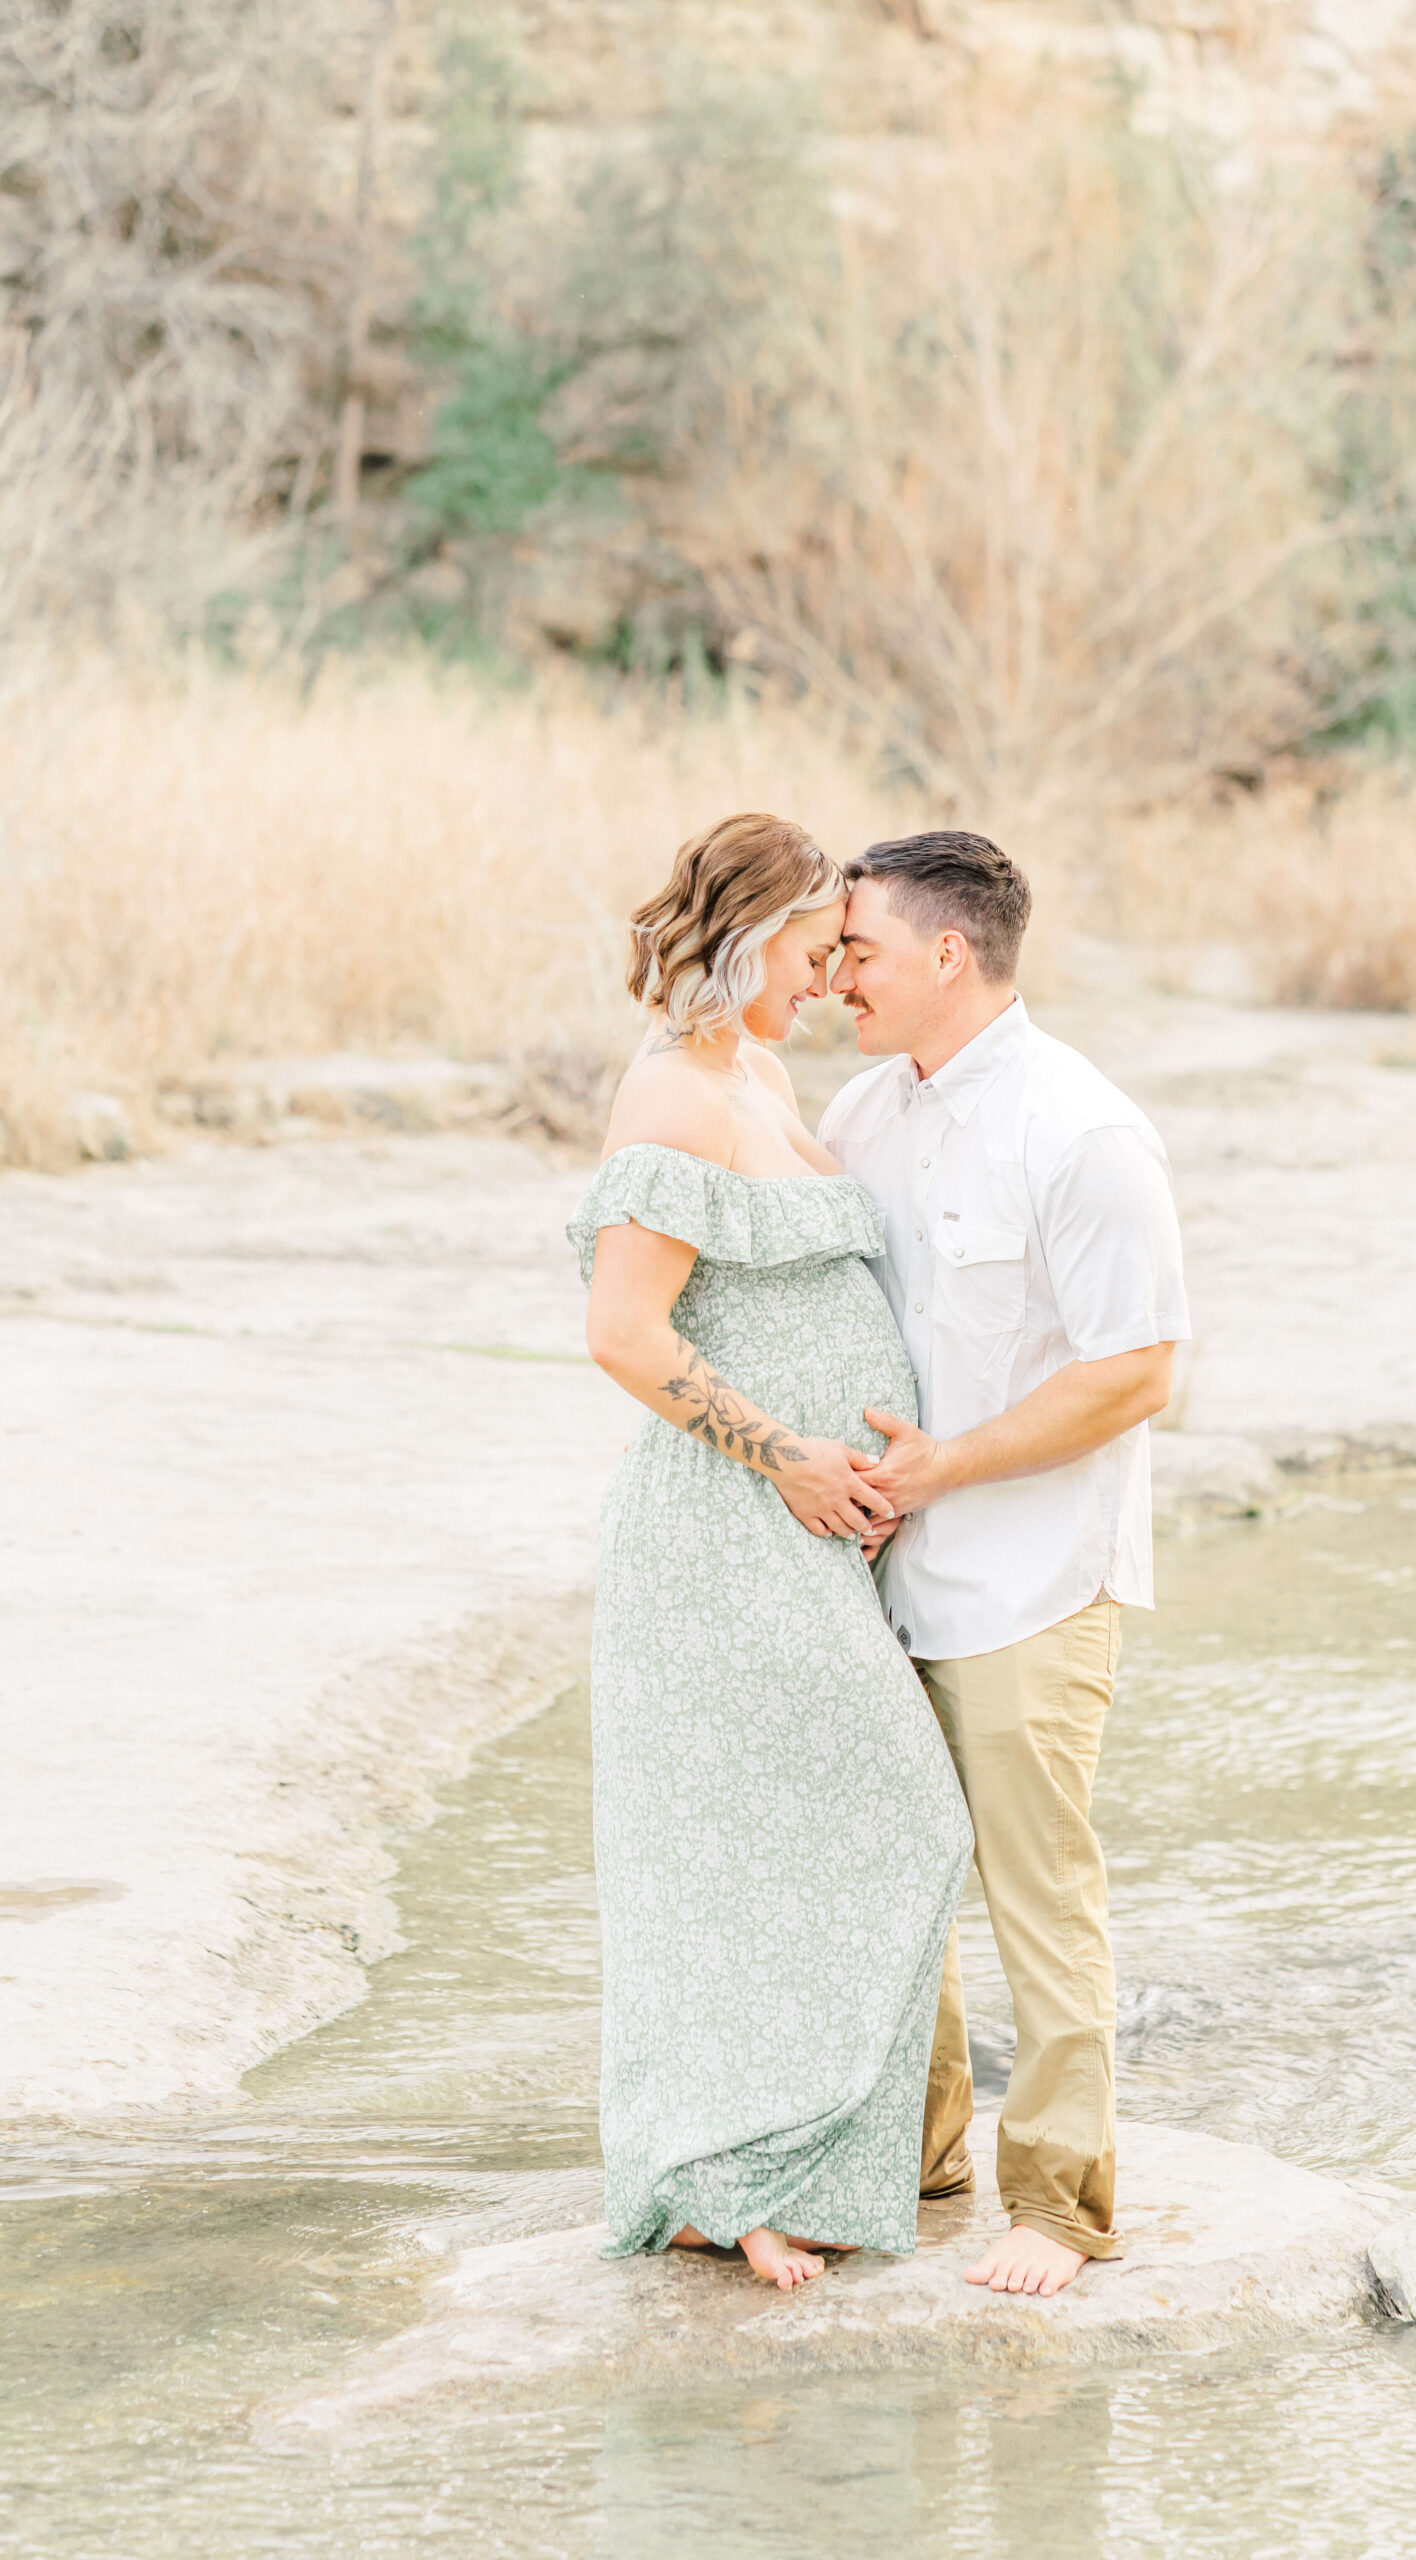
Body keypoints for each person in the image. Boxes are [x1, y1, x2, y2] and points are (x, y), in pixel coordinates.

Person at [568, 812, 972, 2291]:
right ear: (750, 938)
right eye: (813, 954)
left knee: (776, 1847)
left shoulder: (757, 1068)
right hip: (725, 1530)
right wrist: (787, 1453)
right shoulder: (671, 1091)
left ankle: (758, 2167)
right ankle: (725, 2172)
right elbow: (621, 1333)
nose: (823, 982)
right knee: (859, 1821)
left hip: (799, 1539)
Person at [820, 830, 1190, 2298]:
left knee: (1040, 1893)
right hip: (874, 1573)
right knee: (887, 1885)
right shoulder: (856, 1113)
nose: (836, 974)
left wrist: (944, 1467)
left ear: (947, 956)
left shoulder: (1084, 1132)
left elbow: (1140, 1372)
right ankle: (906, 2161)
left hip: (1035, 1577)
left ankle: (1060, 2203)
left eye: (857, 950)